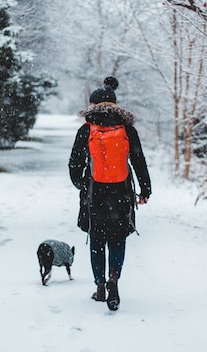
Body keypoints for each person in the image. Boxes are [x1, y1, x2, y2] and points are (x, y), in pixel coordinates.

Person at [68, 76, 151, 311]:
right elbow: (139, 161)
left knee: (97, 240)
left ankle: (100, 285)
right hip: (121, 193)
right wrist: (145, 190)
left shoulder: (86, 130)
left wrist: (82, 185)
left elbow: (74, 164)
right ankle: (114, 277)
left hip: (95, 194)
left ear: (92, 106)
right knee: (117, 238)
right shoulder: (127, 130)